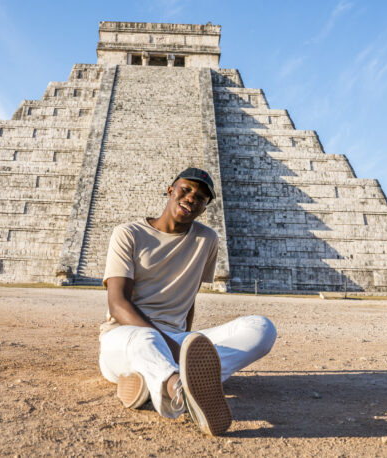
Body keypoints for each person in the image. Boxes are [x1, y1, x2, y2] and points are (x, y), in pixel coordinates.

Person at [98, 168, 277, 435]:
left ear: (204, 208)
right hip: (125, 338)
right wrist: (174, 348)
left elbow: (189, 294)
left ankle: (155, 384)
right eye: (187, 189)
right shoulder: (128, 234)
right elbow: (118, 304)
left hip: (175, 341)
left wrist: (186, 340)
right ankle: (180, 389)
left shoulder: (207, 240)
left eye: (202, 197)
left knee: (262, 328)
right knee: (147, 341)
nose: (193, 198)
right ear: (171, 190)